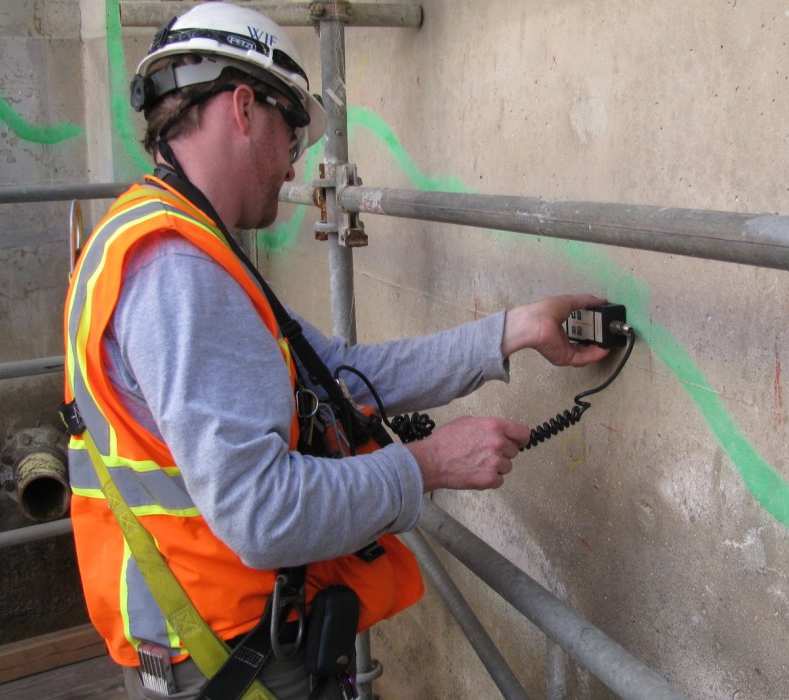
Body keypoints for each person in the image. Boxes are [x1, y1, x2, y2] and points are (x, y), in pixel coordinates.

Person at [62, 4, 610, 699]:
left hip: (216, 644)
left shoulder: (166, 237)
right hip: (229, 662)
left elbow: (344, 375)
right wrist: (429, 464)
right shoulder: (180, 272)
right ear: (242, 108)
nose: (296, 161)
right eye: (293, 130)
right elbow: (263, 513)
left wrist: (515, 330)